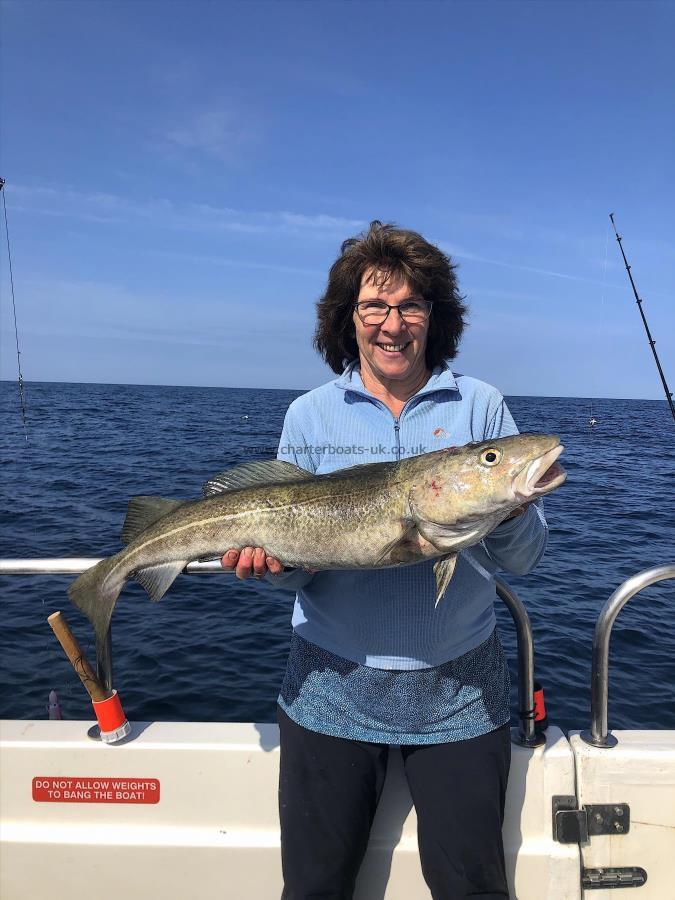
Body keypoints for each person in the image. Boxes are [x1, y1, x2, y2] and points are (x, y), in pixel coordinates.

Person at [222, 221, 548, 900]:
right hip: (326, 695)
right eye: (374, 306)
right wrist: (276, 567)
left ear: (435, 316)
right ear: (349, 319)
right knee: (313, 890)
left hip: (461, 697)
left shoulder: (480, 405)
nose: (392, 324)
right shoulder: (310, 415)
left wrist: (507, 505)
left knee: (472, 891)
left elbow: (524, 560)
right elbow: (305, 567)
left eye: (410, 306)